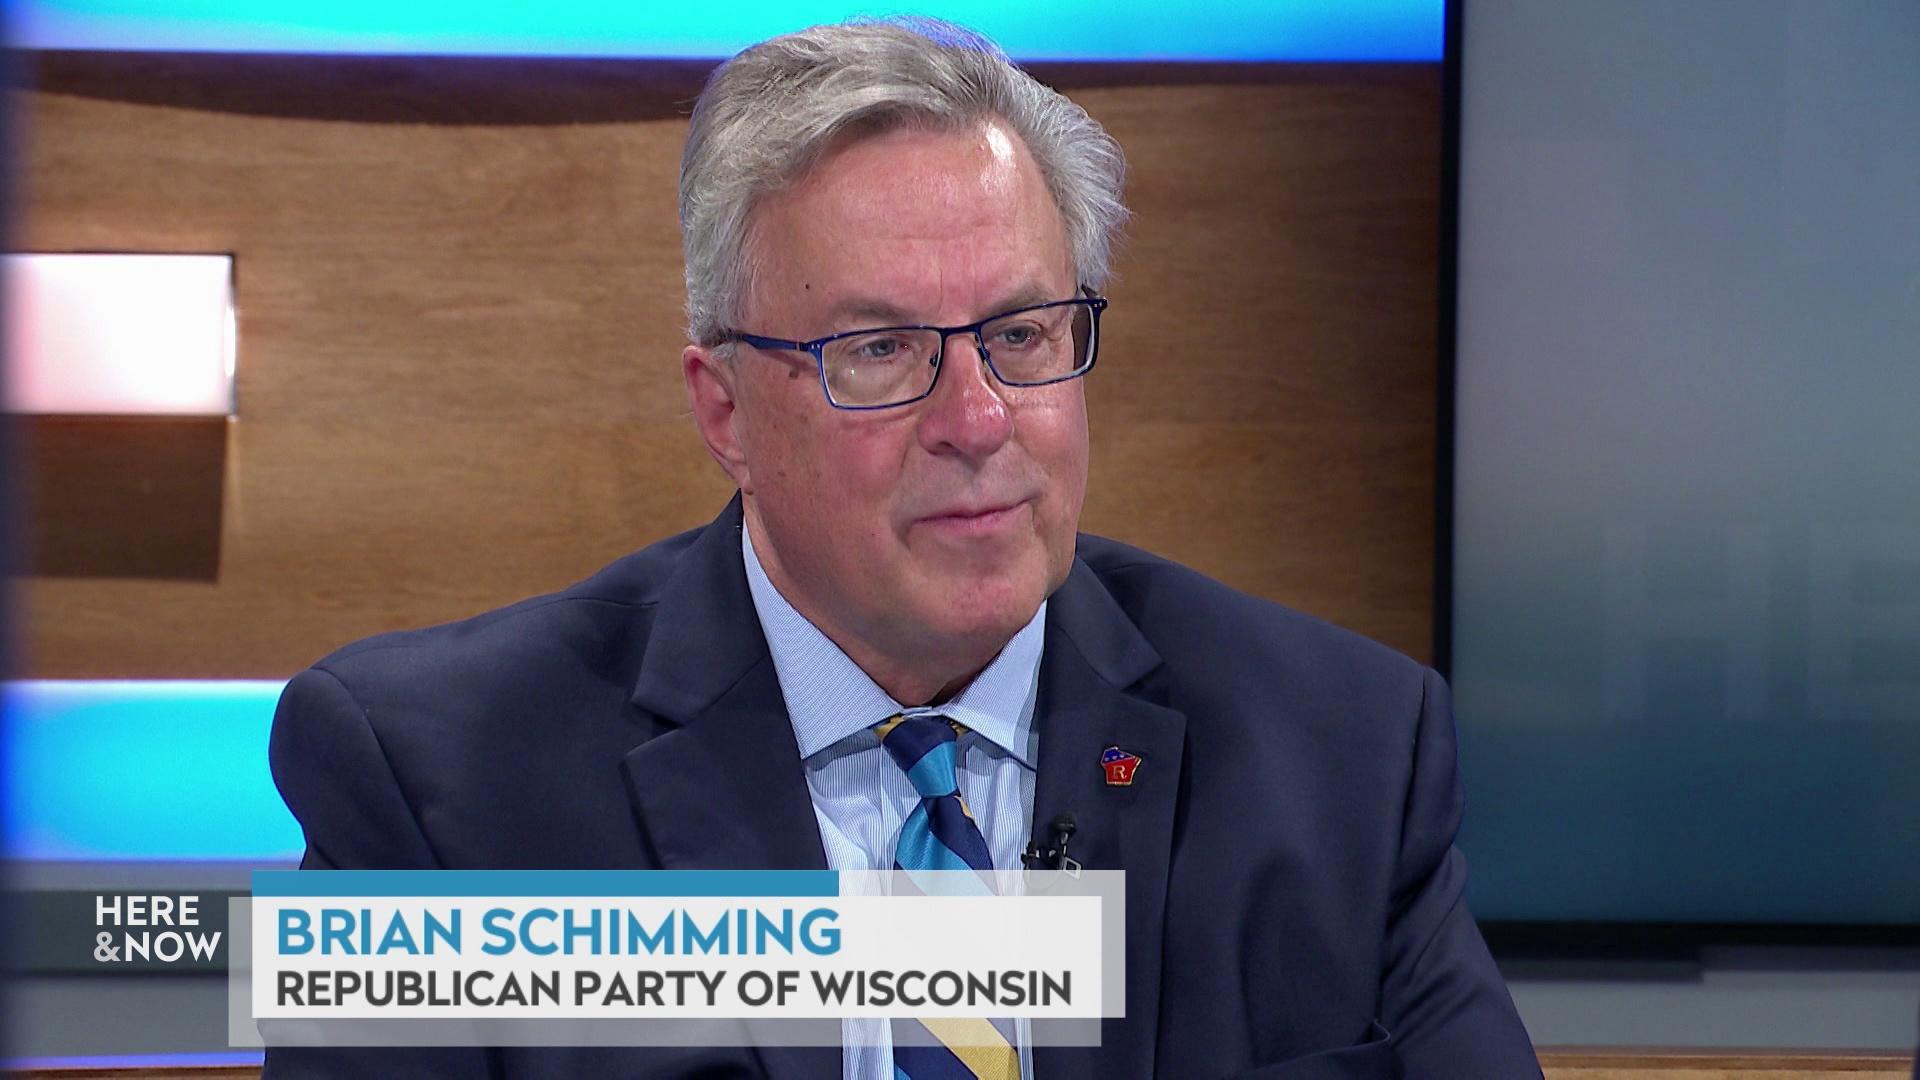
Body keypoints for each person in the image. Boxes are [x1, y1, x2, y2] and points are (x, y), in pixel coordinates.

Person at [265, 17, 1541, 1079]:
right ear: (726, 412)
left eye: (1024, 334)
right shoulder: (441, 793)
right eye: (880, 351)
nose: (979, 422)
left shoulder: (1349, 756)